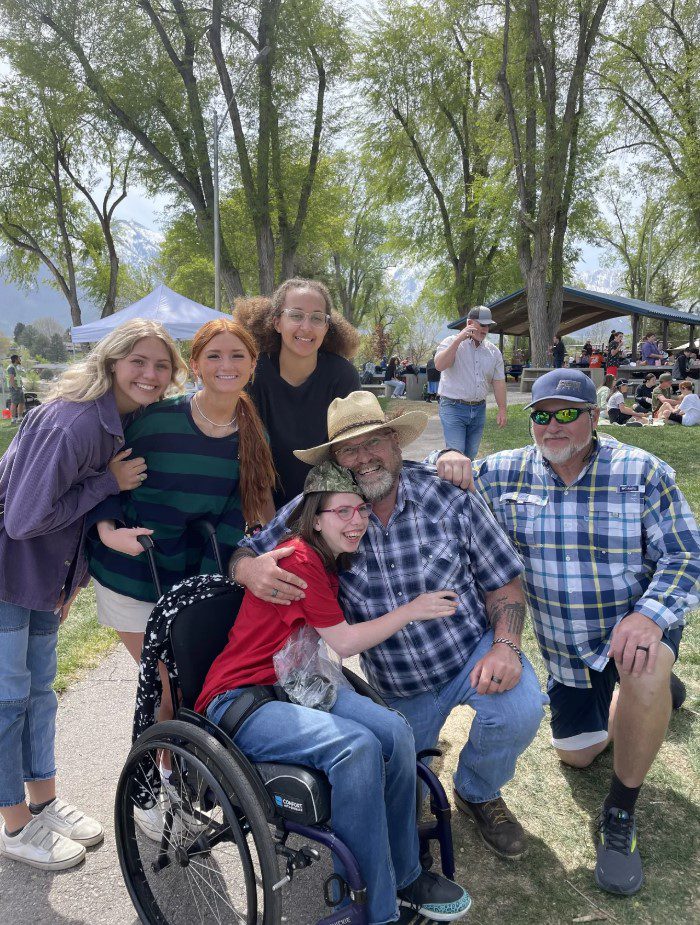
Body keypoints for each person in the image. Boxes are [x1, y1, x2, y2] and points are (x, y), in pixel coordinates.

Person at [229, 391, 546, 860]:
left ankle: (478, 791)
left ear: (397, 445)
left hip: (468, 654)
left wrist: (505, 645)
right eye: (350, 450)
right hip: (396, 685)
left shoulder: (447, 494)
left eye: (375, 442)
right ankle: (420, 780)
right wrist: (248, 570)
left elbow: (504, 582)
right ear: (336, 462)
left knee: (520, 710)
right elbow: (246, 550)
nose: (365, 458)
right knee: (397, 786)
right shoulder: (320, 510)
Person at [196, 462, 472, 925]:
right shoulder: (301, 558)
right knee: (357, 747)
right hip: (242, 696)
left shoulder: (329, 561)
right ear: (315, 518)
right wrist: (413, 610)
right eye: (342, 511)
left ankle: (404, 876)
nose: (357, 520)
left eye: (361, 509)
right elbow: (343, 642)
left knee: (395, 732)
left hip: (295, 684)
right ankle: (375, 907)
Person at [473, 369, 700, 896]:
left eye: (568, 413)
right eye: (542, 415)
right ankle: (654, 696)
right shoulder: (502, 474)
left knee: (641, 668)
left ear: (594, 418)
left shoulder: (642, 471)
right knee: (577, 756)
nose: (554, 425)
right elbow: (433, 491)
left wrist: (648, 616)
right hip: (566, 651)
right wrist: (449, 462)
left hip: (631, 631)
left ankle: (620, 812)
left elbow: (687, 554)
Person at [0, 319, 186, 871]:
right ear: (111, 363)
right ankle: (13, 823)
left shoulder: (117, 422)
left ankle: (45, 801)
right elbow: (24, 519)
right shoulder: (73, 424)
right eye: (138, 362)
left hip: (42, 580)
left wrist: (69, 584)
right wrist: (109, 481)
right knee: (10, 701)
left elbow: (73, 520)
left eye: (161, 366)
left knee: (39, 694)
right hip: (10, 575)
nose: (150, 375)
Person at [87, 320, 276, 839]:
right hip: (131, 570)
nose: (226, 366)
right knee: (163, 686)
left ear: (252, 365)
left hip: (188, 579)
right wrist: (105, 529)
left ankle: (177, 776)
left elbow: (235, 515)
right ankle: (148, 795)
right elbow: (103, 479)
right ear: (196, 364)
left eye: (237, 356)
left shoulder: (249, 435)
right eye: (214, 356)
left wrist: (212, 579)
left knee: (192, 684)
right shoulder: (156, 422)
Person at [235, 280, 360, 508]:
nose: (306, 327)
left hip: (327, 502)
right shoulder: (254, 374)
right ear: (276, 322)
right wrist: (272, 531)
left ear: (326, 327)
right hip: (261, 503)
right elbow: (250, 460)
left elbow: (351, 453)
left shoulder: (343, 376)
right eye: (296, 315)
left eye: (317, 318)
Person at [435, 306, 507, 459]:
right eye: (482, 325)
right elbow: (439, 365)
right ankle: (452, 482)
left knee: (471, 455)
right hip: (453, 407)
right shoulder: (450, 342)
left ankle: (465, 482)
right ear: (469, 323)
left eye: (488, 326)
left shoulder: (493, 352)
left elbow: (499, 382)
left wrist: (502, 409)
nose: (485, 329)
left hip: (479, 409)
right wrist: (458, 340)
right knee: (456, 455)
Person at [6, 354, 25, 423]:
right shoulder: (11, 368)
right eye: (19, 358)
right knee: (14, 403)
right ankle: (13, 418)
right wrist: (15, 388)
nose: (20, 360)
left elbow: (17, 377)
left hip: (19, 388)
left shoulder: (16, 367)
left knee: (21, 402)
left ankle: (20, 418)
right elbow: (11, 379)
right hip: (14, 388)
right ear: (16, 359)